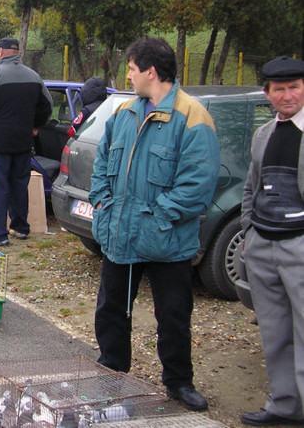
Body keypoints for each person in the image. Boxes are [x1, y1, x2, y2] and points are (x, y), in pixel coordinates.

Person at [88, 37, 219, 412]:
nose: (127, 75)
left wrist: (156, 216)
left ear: (151, 72)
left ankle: (179, 382)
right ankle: (112, 369)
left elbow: (198, 185)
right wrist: (103, 201)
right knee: (111, 308)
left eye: (131, 68)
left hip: (166, 241)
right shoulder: (124, 114)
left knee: (173, 315)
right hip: (120, 236)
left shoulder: (193, 117)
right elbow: (101, 167)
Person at [239, 56, 304, 427]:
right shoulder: (264, 134)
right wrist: (249, 232)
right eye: (279, 89)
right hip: (263, 245)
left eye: (294, 87)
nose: (287, 95)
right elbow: (251, 187)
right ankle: (284, 406)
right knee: (275, 332)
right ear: (268, 94)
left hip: (300, 245)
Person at [0, 37, 53, 247]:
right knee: (19, 184)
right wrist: (36, 126)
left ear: (0, 52)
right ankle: (20, 227)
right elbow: (47, 105)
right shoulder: (34, 77)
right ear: (17, 53)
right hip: (23, 142)